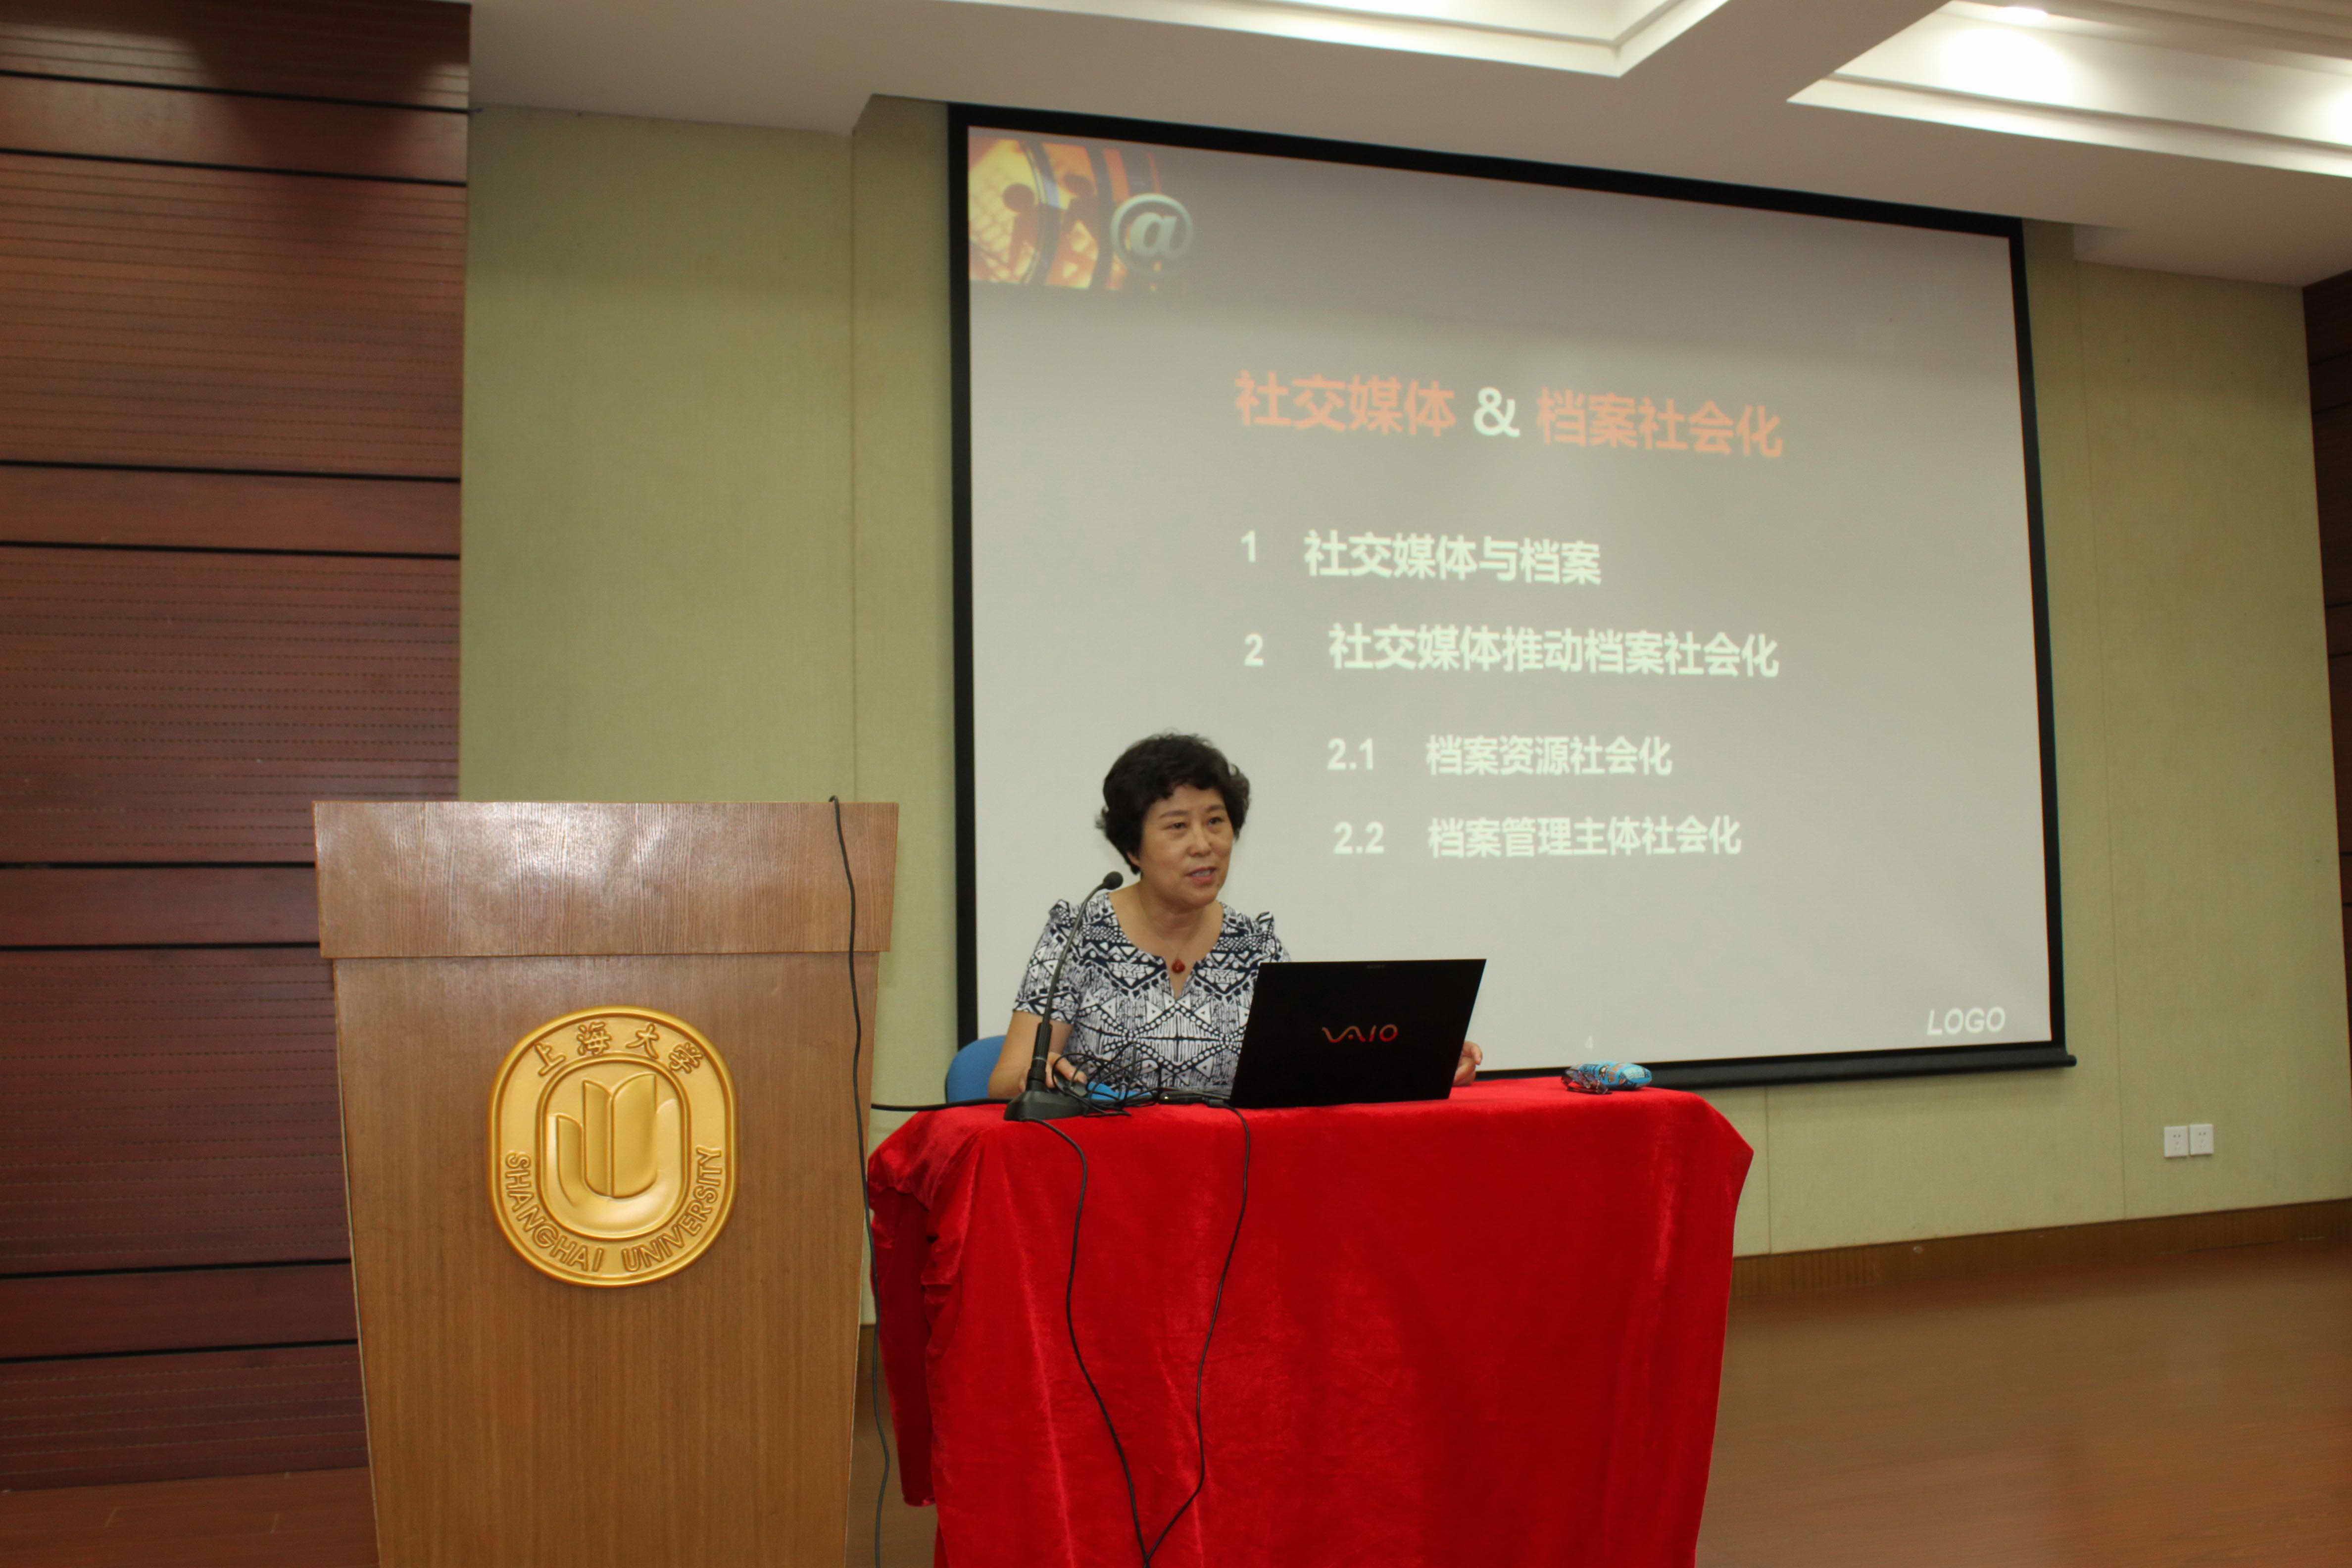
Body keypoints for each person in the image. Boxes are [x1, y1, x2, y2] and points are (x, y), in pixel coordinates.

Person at [987, 733, 1482, 1101]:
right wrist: (1044, 1077)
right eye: (1177, 827)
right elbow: (1009, 1077)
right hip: (1106, 1174)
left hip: (1233, 1177)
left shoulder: (1255, 945)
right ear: (1132, 849)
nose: (1204, 844)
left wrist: (1425, 1062)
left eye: (1216, 822)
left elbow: (1310, 1074)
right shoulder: (1078, 934)